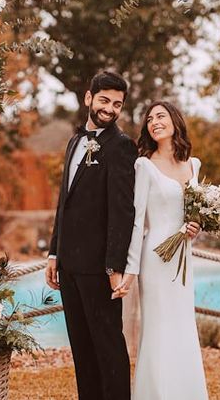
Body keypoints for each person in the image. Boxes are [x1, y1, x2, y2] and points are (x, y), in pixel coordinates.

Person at [45, 71, 137, 400]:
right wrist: (54, 253)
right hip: (69, 266)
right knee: (82, 352)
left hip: (99, 269)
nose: (110, 109)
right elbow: (64, 202)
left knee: (108, 349)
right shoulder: (73, 142)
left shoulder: (122, 147)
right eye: (104, 100)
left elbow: (123, 212)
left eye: (117, 104)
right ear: (88, 98)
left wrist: (114, 268)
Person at [114, 100, 208, 400]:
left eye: (161, 116)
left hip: (183, 257)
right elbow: (137, 220)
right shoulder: (144, 165)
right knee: (158, 327)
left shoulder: (194, 165)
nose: (154, 121)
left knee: (182, 324)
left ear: (175, 121)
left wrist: (196, 226)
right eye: (150, 118)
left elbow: (195, 214)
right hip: (155, 258)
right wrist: (130, 270)